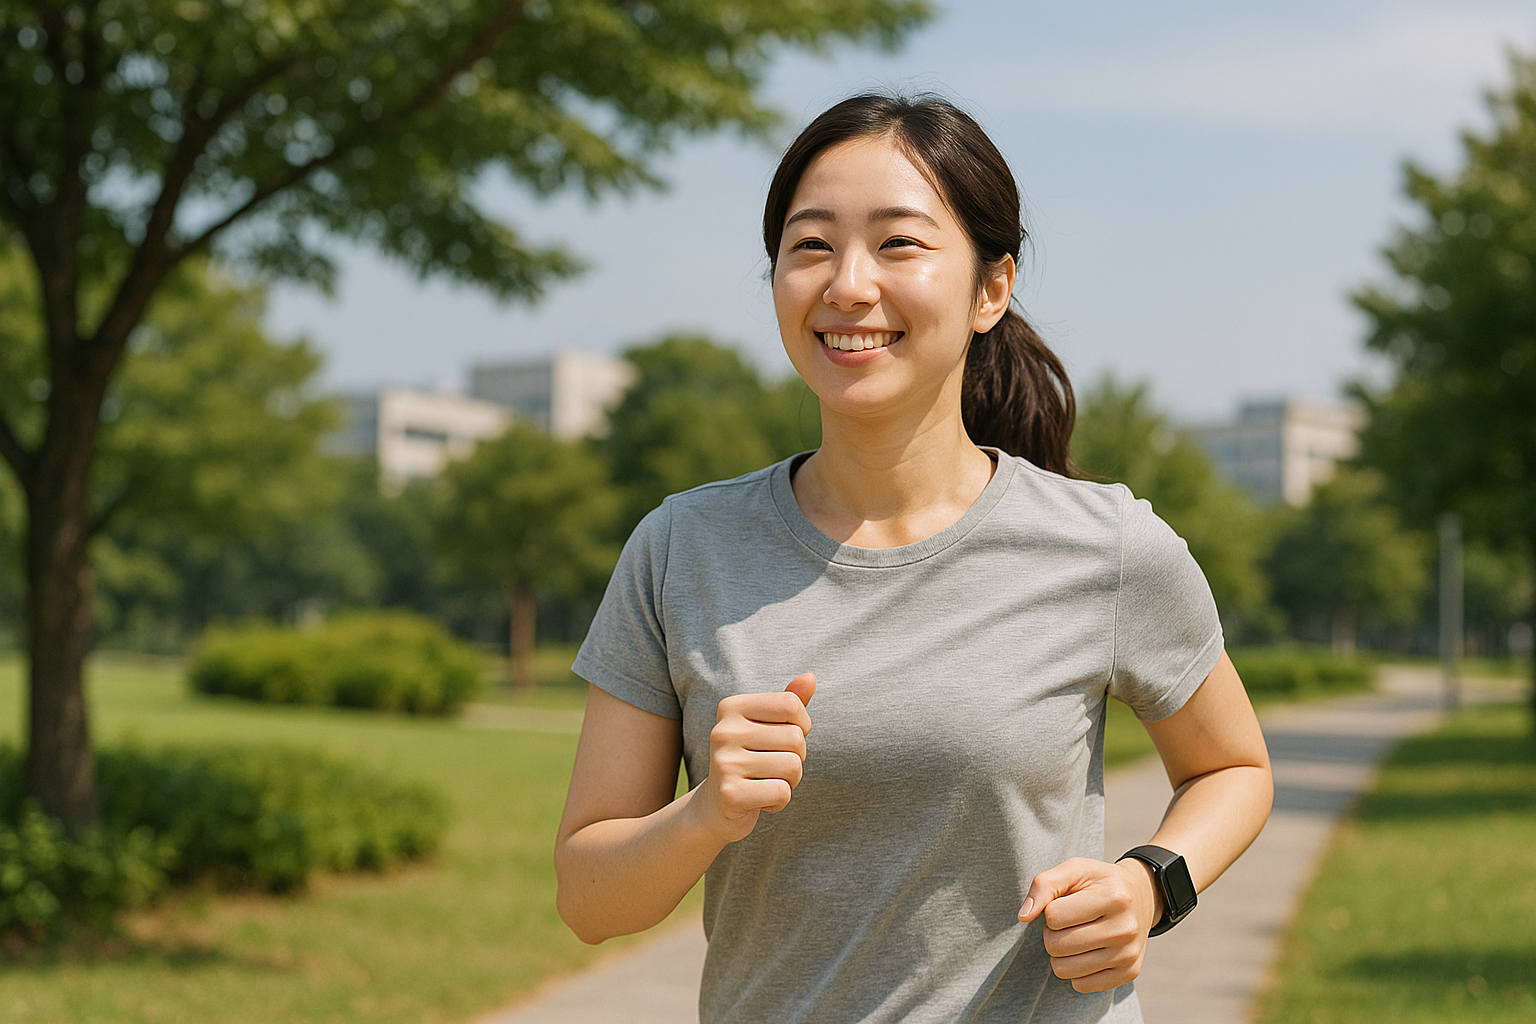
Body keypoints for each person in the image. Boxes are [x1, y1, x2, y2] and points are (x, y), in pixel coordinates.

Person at [554, 94, 1273, 1024]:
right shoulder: (681, 549)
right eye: (811, 245)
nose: (849, 285)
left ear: (991, 287)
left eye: (899, 244)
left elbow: (1233, 769)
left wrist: (1149, 886)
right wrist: (704, 817)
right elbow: (587, 900)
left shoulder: (1107, 543)